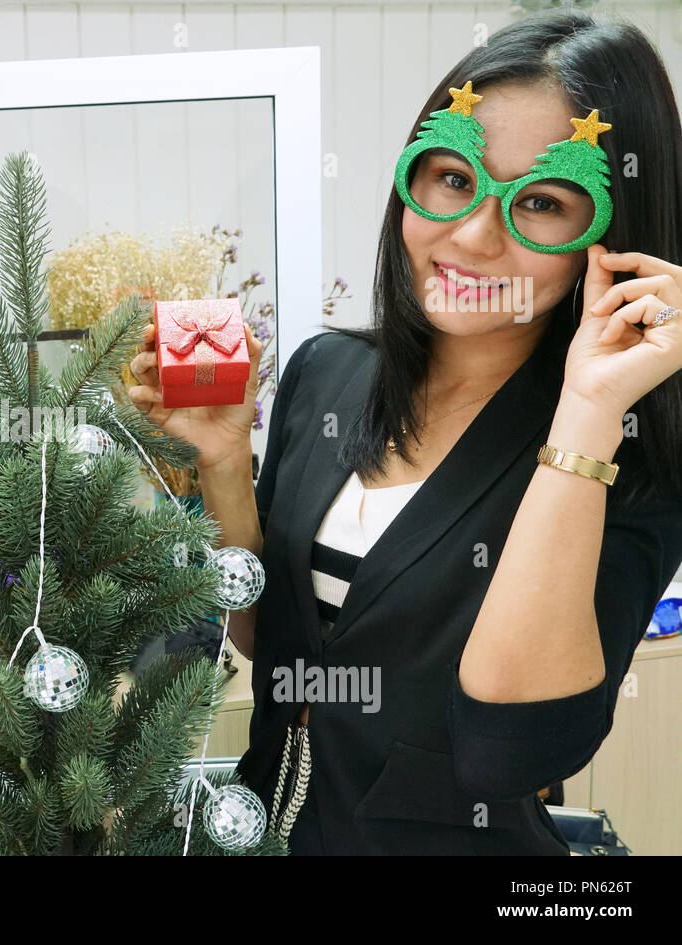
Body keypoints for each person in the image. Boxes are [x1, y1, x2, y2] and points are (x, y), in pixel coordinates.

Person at [129, 11, 682, 854]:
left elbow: (511, 743)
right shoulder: (331, 373)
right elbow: (271, 643)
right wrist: (222, 462)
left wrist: (590, 408)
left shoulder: (625, 454)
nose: (471, 237)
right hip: (267, 831)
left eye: (540, 202)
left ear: (610, 242)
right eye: (454, 179)